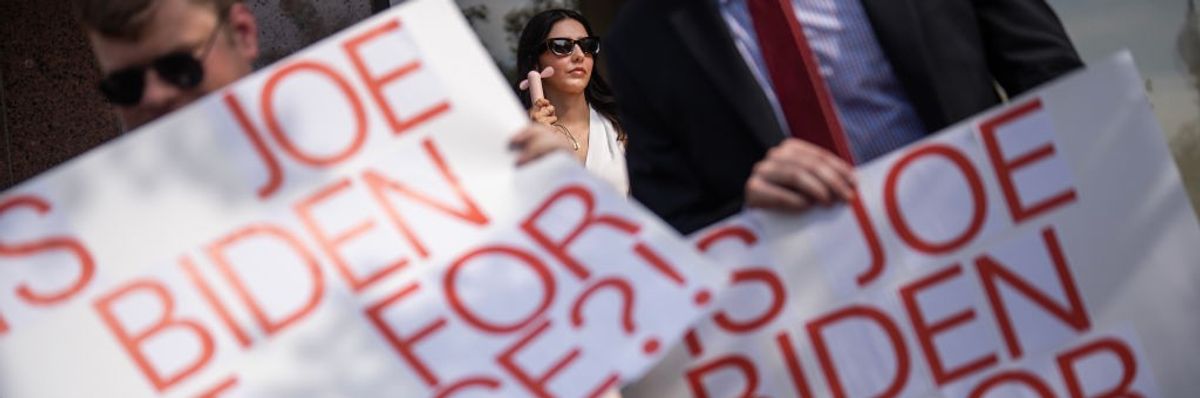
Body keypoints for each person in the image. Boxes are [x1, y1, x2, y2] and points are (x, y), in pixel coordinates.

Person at [604, 0, 1084, 234]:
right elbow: (676, 229)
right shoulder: (641, 41)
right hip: (835, 328)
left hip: (1007, 244)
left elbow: (1057, 84)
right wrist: (750, 216)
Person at [72, 0, 570, 164]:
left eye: (180, 67)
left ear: (242, 34)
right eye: (125, 86)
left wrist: (553, 188)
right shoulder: (111, 248)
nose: (155, 95)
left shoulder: (399, 148)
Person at [516, 9, 629, 194]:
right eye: (562, 46)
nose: (579, 55)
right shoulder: (517, 133)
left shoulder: (621, 125)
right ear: (535, 61)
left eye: (587, 45)